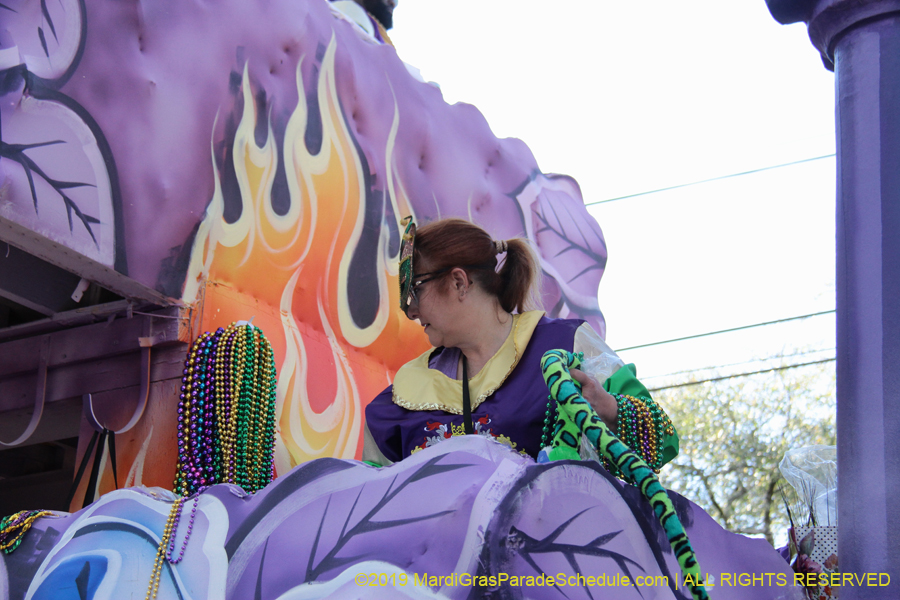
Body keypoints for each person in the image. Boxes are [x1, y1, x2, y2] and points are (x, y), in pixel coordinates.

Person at [363, 217, 678, 468]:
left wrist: (607, 407)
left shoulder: (569, 345)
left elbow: (663, 442)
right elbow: (368, 510)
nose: (411, 310)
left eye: (415, 290)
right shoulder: (395, 404)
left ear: (458, 282)